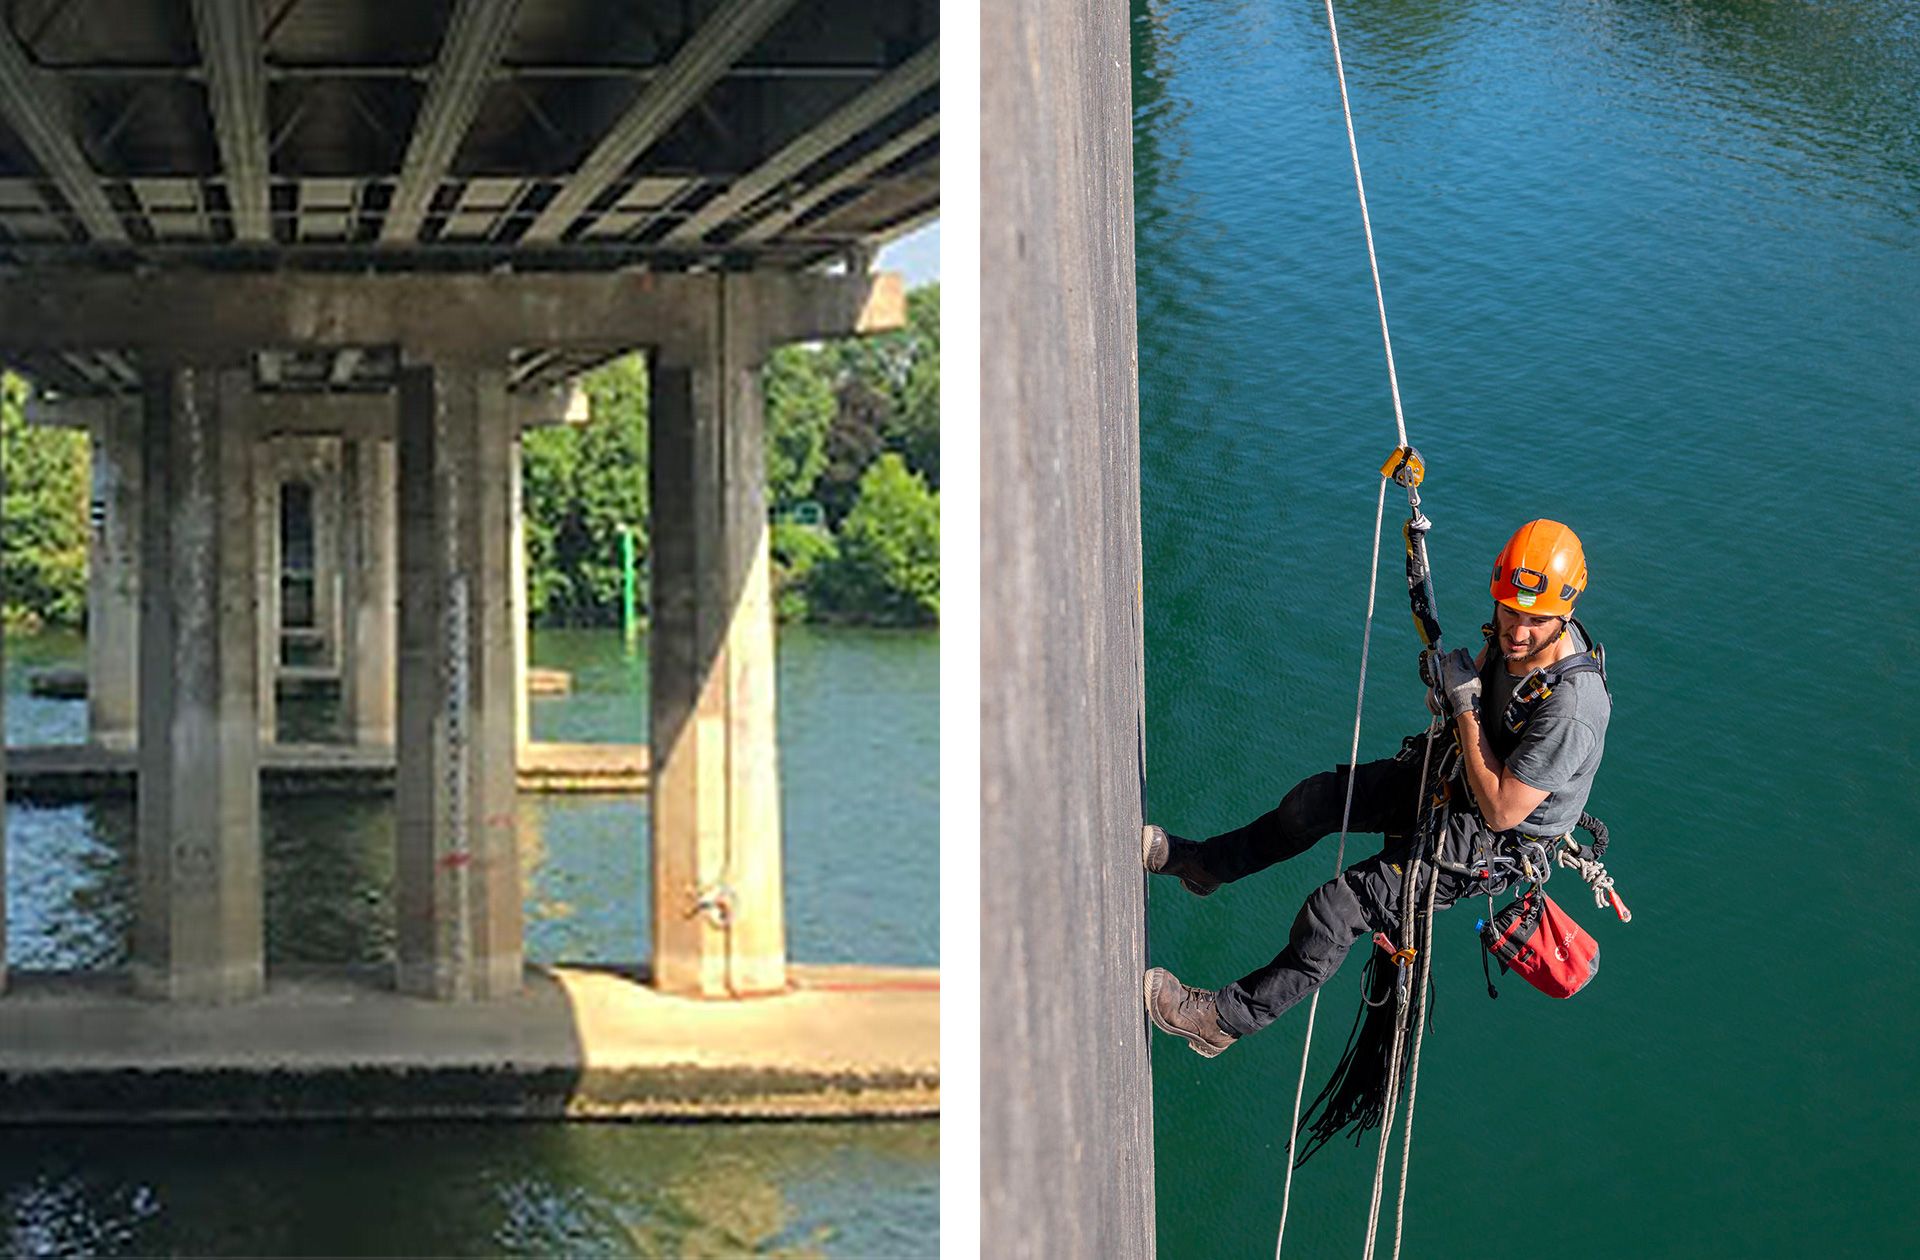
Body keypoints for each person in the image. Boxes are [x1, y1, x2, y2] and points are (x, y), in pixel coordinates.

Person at [1143, 519, 1611, 1057]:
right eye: (1508, 611)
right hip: (1456, 772)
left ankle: (1221, 1021)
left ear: (1566, 614)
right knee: (1312, 803)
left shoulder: (1572, 709)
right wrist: (1449, 690)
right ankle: (1206, 865)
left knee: (1333, 912)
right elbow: (1474, 690)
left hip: (1485, 838)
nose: (1516, 631)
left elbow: (1504, 809)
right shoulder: (1512, 636)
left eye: (1533, 620)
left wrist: (1462, 705)